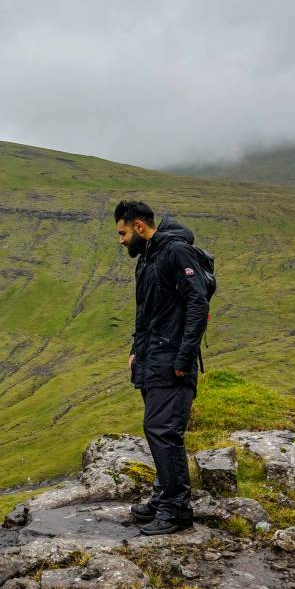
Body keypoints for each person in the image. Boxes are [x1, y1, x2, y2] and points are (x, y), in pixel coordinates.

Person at [114, 200, 210, 535]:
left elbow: (198, 302)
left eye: (123, 232)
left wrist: (184, 359)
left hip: (172, 362)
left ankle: (176, 510)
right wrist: (134, 351)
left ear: (139, 226)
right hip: (151, 359)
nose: (121, 240)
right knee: (158, 432)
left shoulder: (175, 253)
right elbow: (148, 314)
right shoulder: (147, 260)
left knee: (163, 431)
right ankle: (162, 496)